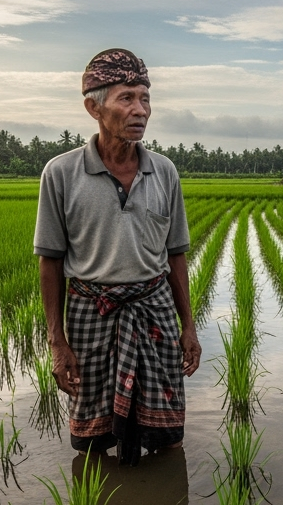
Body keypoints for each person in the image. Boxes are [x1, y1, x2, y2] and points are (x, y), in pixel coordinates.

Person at [33, 48, 201, 465]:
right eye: (127, 98)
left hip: (155, 310)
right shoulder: (61, 173)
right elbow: (50, 260)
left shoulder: (164, 171)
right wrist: (57, 343)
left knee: (167, 436)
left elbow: (176, 253)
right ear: (94, 107)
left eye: (145, 98)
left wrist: (189, 326)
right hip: (93, 311)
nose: (140, 109)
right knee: (92, 443)